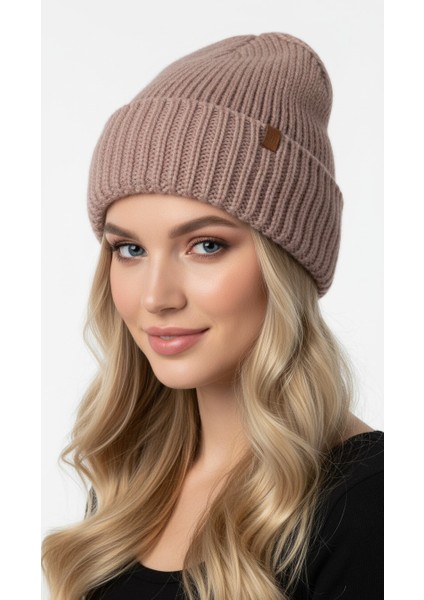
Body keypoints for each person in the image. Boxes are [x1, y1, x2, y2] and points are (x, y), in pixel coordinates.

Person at [42, 32, 383, 600]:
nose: (156, 297)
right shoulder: (131, 485)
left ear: (287, 262)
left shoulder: (372, 507)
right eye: (130, 249)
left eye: (206, 245)